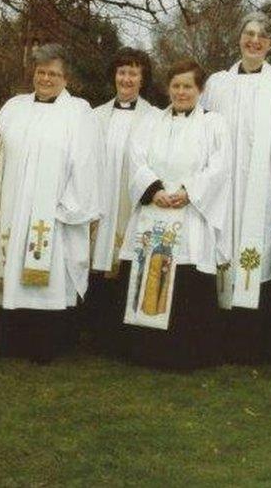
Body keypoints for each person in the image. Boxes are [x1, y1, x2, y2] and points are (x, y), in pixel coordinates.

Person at [200, 12, 271, 363]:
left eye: (261, 35)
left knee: (255, 263)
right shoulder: (216, 84)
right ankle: (215, 339)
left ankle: (251, 345)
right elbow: (202, 137)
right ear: (239, 38)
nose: (254, 40)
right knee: (221, 256)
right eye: (248, 33)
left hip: (263, 194)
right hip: (222, 194)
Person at [118, 59, 231, 370]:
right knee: (150, 272)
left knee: (186, 279)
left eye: (188, 86)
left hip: (190, 213)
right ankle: (146, 350)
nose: (181, 92)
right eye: (176, 86)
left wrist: (188, 192)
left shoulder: (214, 124)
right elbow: (137, 159)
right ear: (168, 88)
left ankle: (187, 353)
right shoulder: (152, 121)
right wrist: (154, 190)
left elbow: (220, 167)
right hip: (155, 211)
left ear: (200, 89)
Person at [0, 44, 102, 363]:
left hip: (52, 215)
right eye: (41, 72)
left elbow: (85, 163)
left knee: (50, 279)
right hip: (13, 208)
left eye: (54, 73)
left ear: (66, 78)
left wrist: (68, 209)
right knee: (11, 276)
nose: (46, 78)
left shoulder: (79, 111)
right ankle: (10, 341)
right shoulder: (14, 107)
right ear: (33, 74)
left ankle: (46, 345)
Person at [86, 47, 160, 357]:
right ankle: (92, 332)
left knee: (127, 263)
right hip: (100, 200)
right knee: (95, 262)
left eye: (133, 73)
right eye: (121, 72)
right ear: (113, 76)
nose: (126, 78)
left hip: (132, 204)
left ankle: (123, 335)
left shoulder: (155, 118)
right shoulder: (94, 115)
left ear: (142, 79)